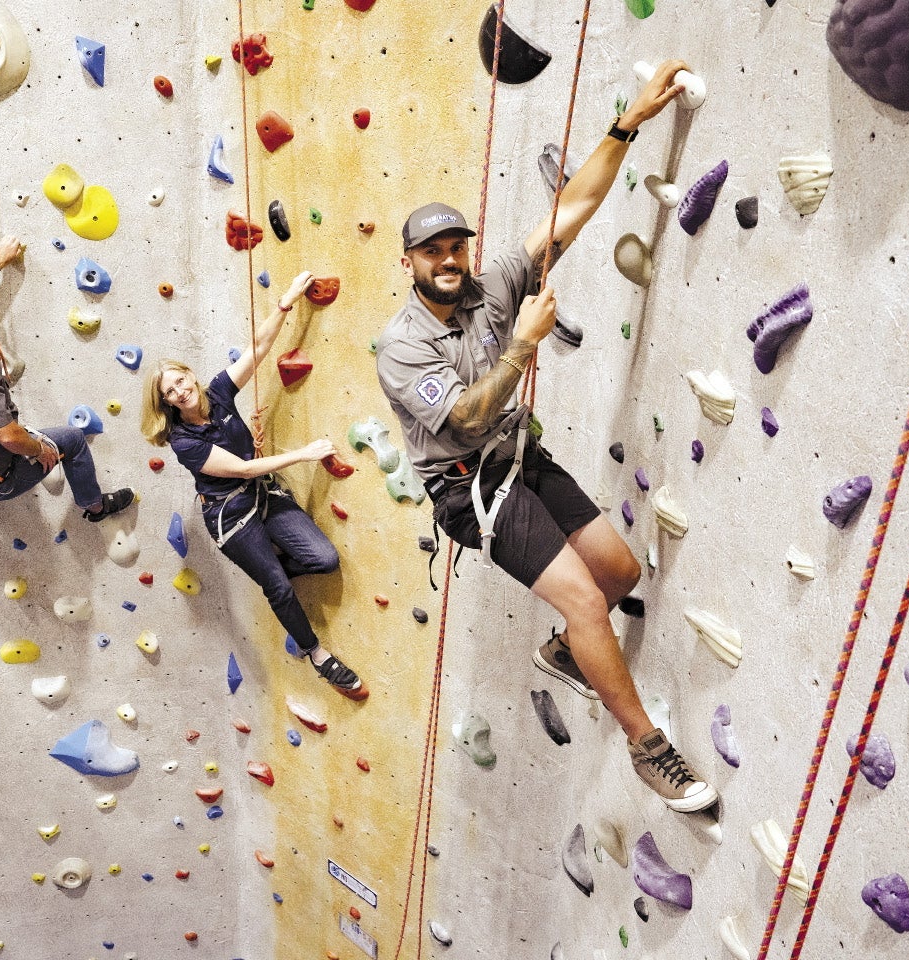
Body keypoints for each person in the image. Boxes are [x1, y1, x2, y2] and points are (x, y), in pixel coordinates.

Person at [375, 61, 717, 813]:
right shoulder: (399, 346)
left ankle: (566, 652)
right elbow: (463, 417)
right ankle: (648, 749)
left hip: (520, 460)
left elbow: (574, 208)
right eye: (432, 252)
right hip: (470, 490)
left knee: (620, 574)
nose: (449, 260)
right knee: (589, 602)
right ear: (408, 264)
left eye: (455, 246)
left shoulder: (488, 283)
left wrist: (629, 123)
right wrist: (523, 346)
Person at [141, 271, 365, 699]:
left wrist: (285, 303)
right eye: (171, 392)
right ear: (166, 403)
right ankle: (319, 656)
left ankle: (273, 571)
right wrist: (304, 453)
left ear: (191, 376)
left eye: (182, 381)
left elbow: (259, 349)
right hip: (231, 516)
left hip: (262, 497)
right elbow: (243, 471)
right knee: (278, 588)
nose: (181, 391)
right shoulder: (183, 440)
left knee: (324, 558)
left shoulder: (218, 394)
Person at [0, 238, 135, 525]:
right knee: (72, 440)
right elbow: (10, 437)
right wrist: (40, 450)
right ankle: (96, 506)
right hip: (1, 482)